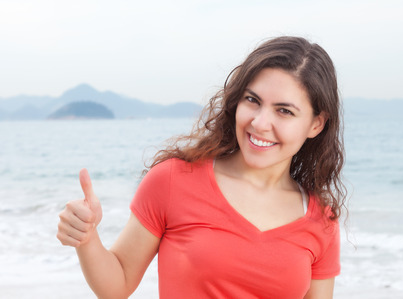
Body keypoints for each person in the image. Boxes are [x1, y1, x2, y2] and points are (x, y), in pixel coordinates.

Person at [57, 36, 347, 299]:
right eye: (252, 100)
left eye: (284, 111)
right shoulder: (173, 179)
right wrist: (87, 239)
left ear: (316, 123)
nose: (259, 122)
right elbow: (116, 286)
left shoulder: (320, 219)